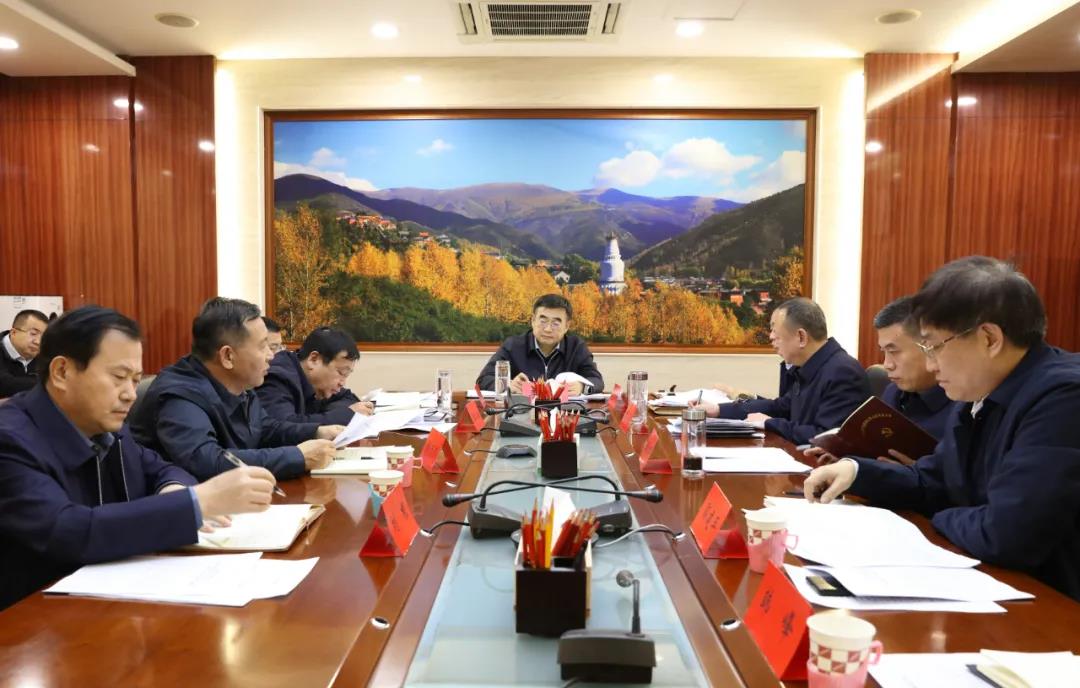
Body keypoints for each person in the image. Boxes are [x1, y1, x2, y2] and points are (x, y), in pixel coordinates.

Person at [804, 256, 1080, 601]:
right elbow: (933, 480)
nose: (931, 365)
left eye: (934, 347)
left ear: (989, 339)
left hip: (1054, 605)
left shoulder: (1064, 398)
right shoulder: (978, 391)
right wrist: (856, 472)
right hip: (998, 583)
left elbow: (1008, 535)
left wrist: (940, 517)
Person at [0, 306, 277, 610]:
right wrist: (198, 502)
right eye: (119, 377)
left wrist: (173, 489)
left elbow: (162, 469)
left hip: (110, 602)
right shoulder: (10, 438)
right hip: (30, 619)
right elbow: (69, 531)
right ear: (62, 372)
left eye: (135, 380)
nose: (130, 394)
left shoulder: (108, 425)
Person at [130, 298, 340, 481]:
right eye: (263, 346)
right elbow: (206, 461)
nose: (271, 356)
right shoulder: (180, 395)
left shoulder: (239, 383)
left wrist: (316, 431)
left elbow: (264, 428)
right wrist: (297, 457)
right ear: (228, 356)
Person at [699, 297, 869, 444]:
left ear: (801, 337)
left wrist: (770, 423)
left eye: (774, 330)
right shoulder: (808, 367)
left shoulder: (843, 372)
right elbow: (780, 407)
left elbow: (826, 437)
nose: (771, 336)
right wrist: (719, 410)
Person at [476, 293, 604, 395]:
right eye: (543, 321)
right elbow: (483, 379)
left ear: (566, 326)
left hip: (564, 416)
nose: (548, 329)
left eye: (555, 323)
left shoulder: (576, 347)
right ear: (533, 321)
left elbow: (597, 380)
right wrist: (508, 384)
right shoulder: (513, 346)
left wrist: (582, 387)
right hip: (522, 415)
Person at [257, 327, 373, 425]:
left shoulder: (319, 384)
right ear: (314, 359)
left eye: (346, 375)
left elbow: (348, 398)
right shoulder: (277, 378)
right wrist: (346, 415)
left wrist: (327, 413)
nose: (342, 383)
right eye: (341, 373)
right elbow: (284, 426)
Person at [0, 309, 48, 397]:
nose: (38, 342)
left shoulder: (45, 354)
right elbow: (4, 384)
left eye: (43, 337)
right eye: (33, 334)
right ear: (13, 333)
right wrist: (47, 384)